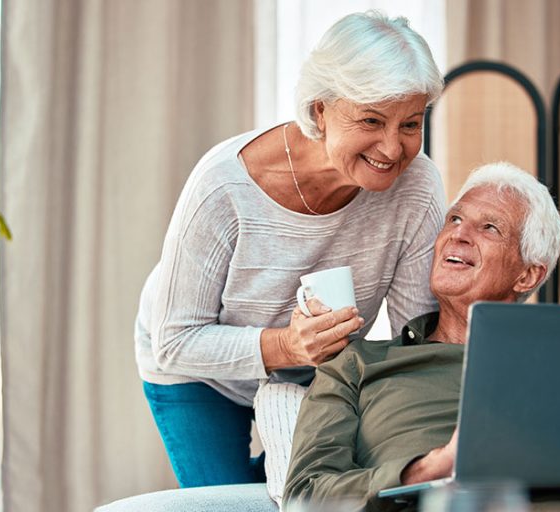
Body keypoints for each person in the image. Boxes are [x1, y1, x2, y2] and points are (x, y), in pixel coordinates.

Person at [284, 162, 560, 512]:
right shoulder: (357, 364)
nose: (458, 234)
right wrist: (434, 467)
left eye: (490, 228)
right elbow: (307, 494)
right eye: (454, 219)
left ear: (528, 274)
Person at [134, 11, 446, 487]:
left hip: (320, 372)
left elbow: (414, 339)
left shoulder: (417, 185)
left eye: (410, 123)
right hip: (199, 372)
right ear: (320, 110)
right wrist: (287, 345)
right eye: (371, 119)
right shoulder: (223, 186)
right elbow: (175, 340)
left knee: (326, 486)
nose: (392, 148)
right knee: (231, 499)